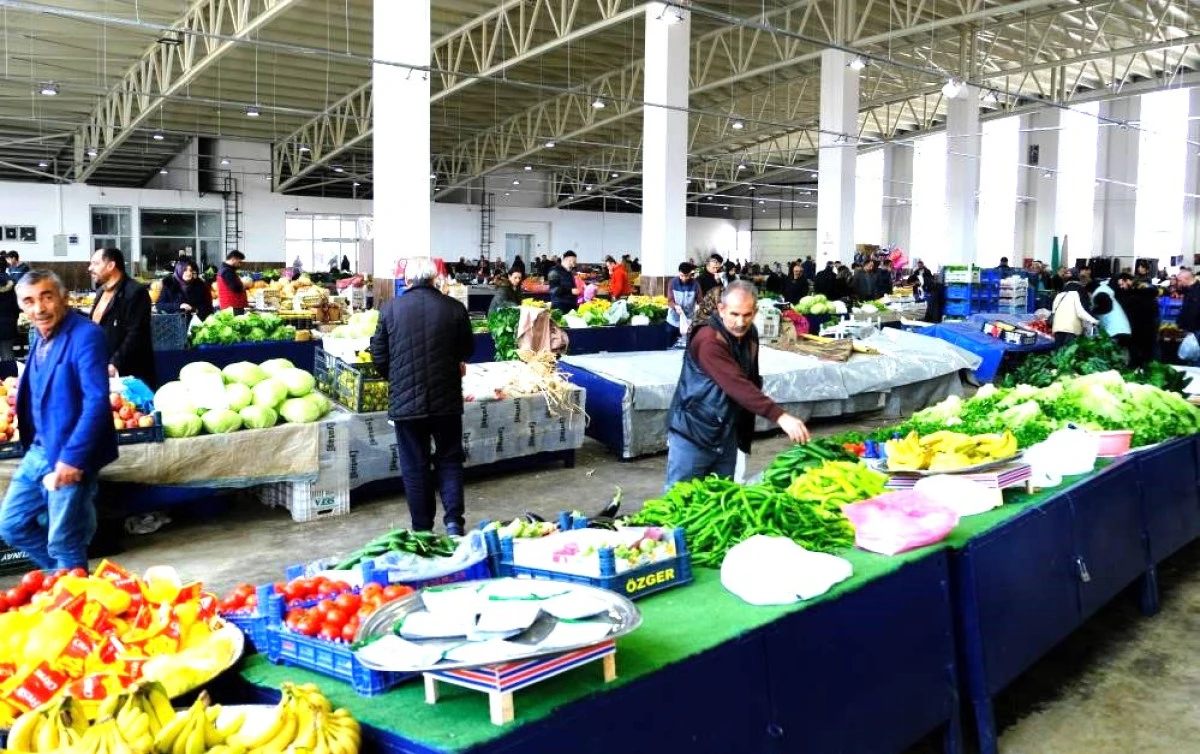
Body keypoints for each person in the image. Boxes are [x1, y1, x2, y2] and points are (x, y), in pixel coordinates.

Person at [0, 270, 117, 570]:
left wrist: (72, 459)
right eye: (29, 301)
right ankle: (66, 581)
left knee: (65, 540)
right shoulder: (39, 335)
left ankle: (75, 602)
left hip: (69, 453)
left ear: (63, 297)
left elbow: (96, 402)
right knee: (12, 525)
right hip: (39, 451)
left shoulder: (86, 335)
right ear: (21, 306)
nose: (38, 308)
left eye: (46, 297)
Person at [664, 281, 810, 489]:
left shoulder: (750, 334)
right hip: (693, 431)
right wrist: (779, 415)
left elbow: (751, 378)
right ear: (721, 309)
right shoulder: (708, 339)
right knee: (678, 502)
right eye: (734, 314)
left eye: (747, 314)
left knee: (722, 500)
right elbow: (736, 384)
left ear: (755, 311)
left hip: (726, 433)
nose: (741, 322)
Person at [371, 258, 474, 535]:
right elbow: (468, 348)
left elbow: (378, 354)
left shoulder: (390, 308)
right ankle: (454, 523)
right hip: (447, 400)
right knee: (450, 459)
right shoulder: (454, 308)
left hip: (406, 403)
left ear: (407, 281)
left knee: (414, 465)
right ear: (435, 279)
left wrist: (397, 378)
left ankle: (422, 529)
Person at [87, 248, 155, 387]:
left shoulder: (136, 292)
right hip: (102, 369)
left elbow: (136, 334)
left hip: (129, 376)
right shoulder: (101, 291)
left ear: (111, 266)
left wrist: (115, 364)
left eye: (95, 263)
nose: (90, 268)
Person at [1115, 273, 1160, 368]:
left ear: (1127, 280)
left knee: (1140, 355)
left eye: (1122, 284)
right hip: (1146, 328)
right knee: (1146, 354)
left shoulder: (1137, 294)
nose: (1121, 287)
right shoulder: (1146, 293)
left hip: (1140, 328)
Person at [1051, 281, 1098, 347]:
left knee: (1059, 352)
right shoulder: (1075, 294)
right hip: (1071, 329)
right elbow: (1080, 312)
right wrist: (1094, 320)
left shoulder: (1059, 295)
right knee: (1068, 352)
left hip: (1057, 328)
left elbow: (1053, 311)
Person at [1090, 279, 1131, 351]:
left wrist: (1093, 312)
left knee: (1112, 356)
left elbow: (1107, 307)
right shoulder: (1107, 293)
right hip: (1124, 330)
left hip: (1114, 331)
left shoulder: (1099, 294)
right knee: (1120, 356)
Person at [666, 262, 698, 344]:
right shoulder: (672, 282)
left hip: (688, 320)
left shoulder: (696, 284)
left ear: (691, 274)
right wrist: (675, 306)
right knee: (670, 345)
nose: (684, 278)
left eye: (686, 276)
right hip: (673, 319)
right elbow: (670, 301)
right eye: (681, 275)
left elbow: (700, 301)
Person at [0, 268, 18, 360]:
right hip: (8, 325)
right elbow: (16, 307)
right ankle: (9, 374)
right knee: (7, 354)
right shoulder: (12, 282)